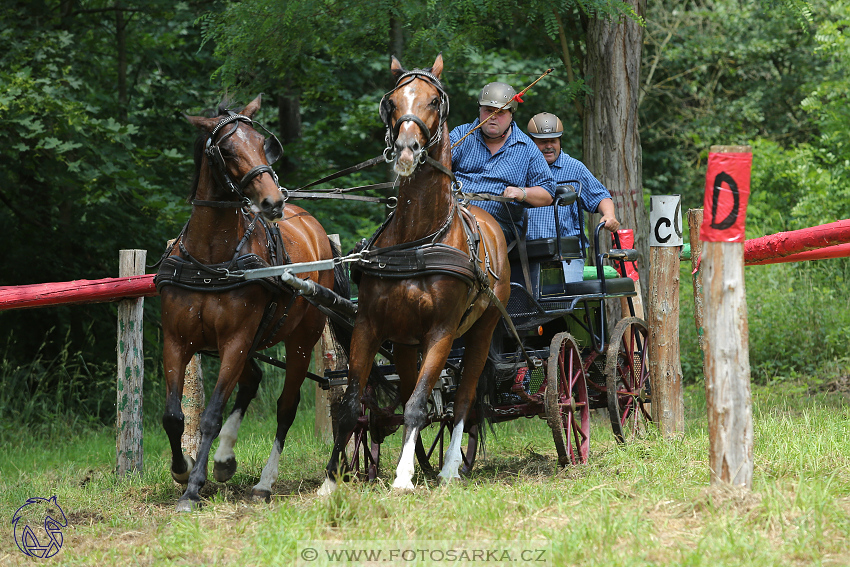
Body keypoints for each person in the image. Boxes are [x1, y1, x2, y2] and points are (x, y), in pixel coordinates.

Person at [449, 82, 555, 244]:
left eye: (501, 112)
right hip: (454, 215)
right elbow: (436, 167)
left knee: (471, 235)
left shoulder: (526, 147)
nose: (493, 116)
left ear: (512, 114)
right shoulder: (460, 135)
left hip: (500, 226)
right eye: (488, 111)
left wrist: (522, 193)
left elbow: (548, 194)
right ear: (479, 111)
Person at [526, 112, 620, 282]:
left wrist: (609, 215)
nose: (548, 146)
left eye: (553, 141)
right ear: (532, 143)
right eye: (542, 142)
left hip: (566, 255)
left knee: (559, 303)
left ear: (560, 141)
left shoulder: (574, 168)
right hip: (527, 254)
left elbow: (600, 196)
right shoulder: (522, 168)